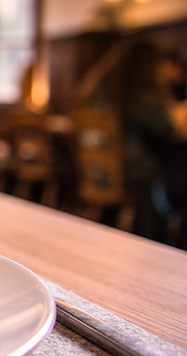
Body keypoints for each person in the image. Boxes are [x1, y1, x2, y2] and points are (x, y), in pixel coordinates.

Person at [77, 40, 187, 240]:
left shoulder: (101, 88)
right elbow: (167, 129)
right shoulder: (139, 94)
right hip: (131, 173)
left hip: (97, 173)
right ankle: (165, 239)